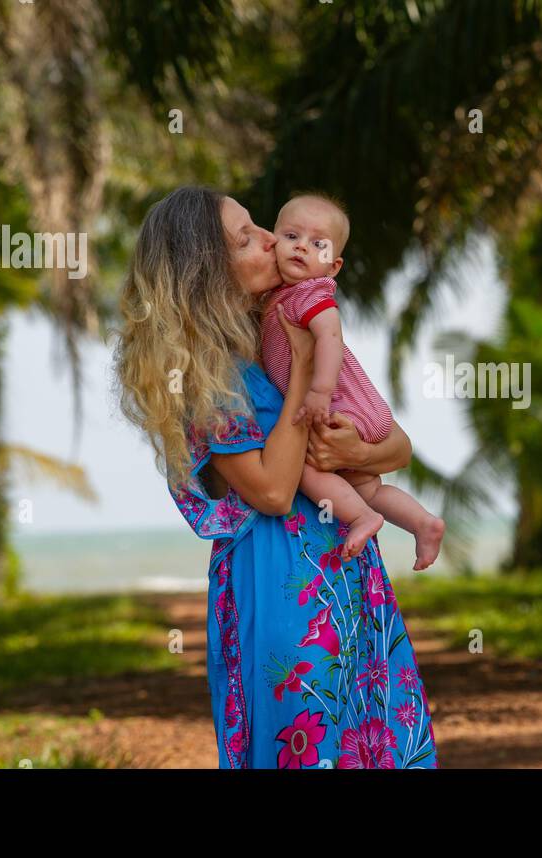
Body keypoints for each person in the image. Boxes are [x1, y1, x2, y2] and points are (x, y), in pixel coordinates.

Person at [114, 186, 440, 769]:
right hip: (280, 579)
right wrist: (303, 384)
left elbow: (395, 445)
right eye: (247, 239)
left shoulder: (282, 330)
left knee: (368, 738)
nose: (271, 239)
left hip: (344, 565)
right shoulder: (204, 376)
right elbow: (270, 491)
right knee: (304, 739)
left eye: (259, 226)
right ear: (208, 273)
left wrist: (354, 451)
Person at [261, 192, 446, 569]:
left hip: (341, 405)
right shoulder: (277, 296)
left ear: (333, 266)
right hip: (354, 412)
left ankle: (361, 518)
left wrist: (319, 392)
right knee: (368, 487)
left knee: (305, 467)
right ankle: (422, 523)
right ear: (273, 240)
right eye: (291, 236)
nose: (301, 248)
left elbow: (331, 337)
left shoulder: (309, 293)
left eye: (318, 244)